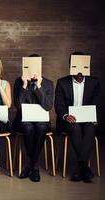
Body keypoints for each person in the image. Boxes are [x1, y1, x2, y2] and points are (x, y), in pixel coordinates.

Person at [55, 52, 100, 183]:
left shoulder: (94, 82)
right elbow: (59, 105)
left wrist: (95, 117)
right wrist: (65, 116)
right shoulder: (62, 83)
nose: (80, 73)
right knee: (75, 128)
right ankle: (84, 167)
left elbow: (98, 103)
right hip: (69, 120)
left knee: (90, 128)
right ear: (71, 66)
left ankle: (81, 166)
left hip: (87, 119)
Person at [12, 54, 53, 182]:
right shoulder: (19, 82)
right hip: (24, 120)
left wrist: (39, 87)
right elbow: (18, 106)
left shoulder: (48, 83)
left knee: (41, 127)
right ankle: (34, 165)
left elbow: (48, 106)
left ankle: (31, 164)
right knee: (28, 127)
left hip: (41, 120)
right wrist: (24, 85)